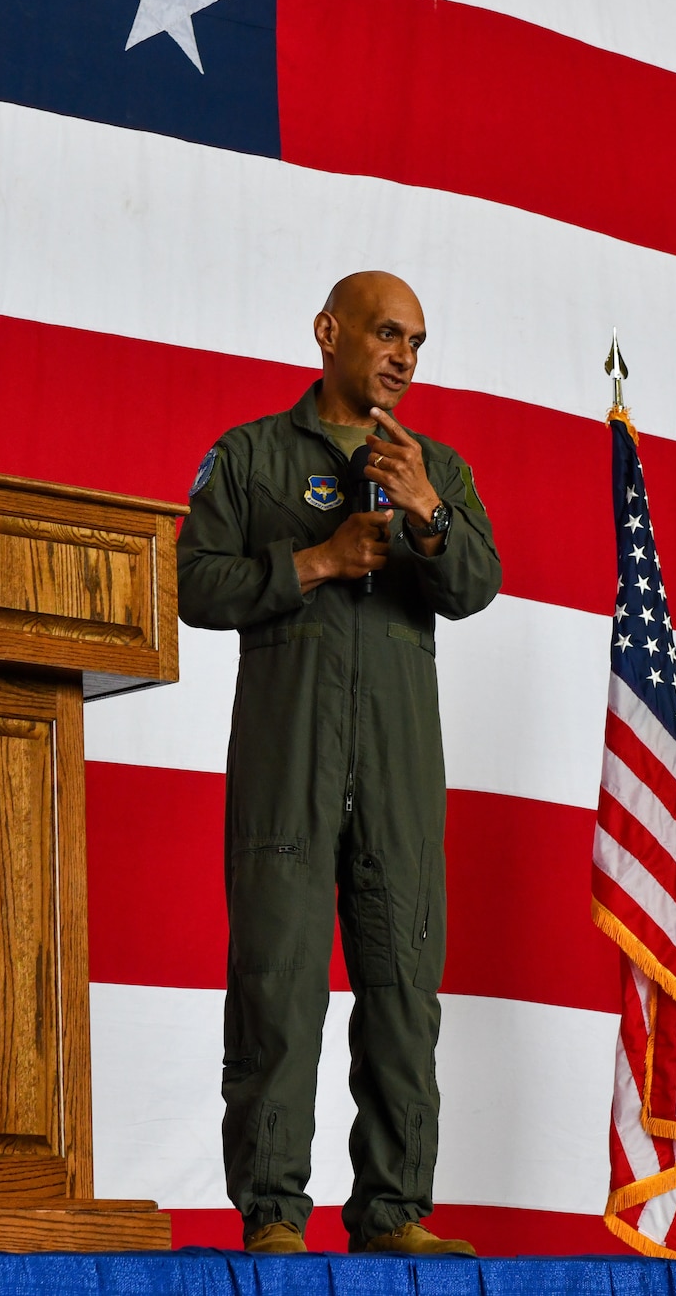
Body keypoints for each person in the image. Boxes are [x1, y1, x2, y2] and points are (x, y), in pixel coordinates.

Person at [176, 272, 502, 1255]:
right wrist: (312, 561)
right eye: (386, 334)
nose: (403, 356)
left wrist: (426, 512)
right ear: (328, 333)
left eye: (417, 341)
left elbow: (476, 582)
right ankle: (274, 1209)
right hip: (288, 759)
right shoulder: (251, 457)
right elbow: (189, 579)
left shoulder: (433, 466)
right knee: (278, 976)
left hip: (397, 766)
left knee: (402, 979)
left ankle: (393, 1210)